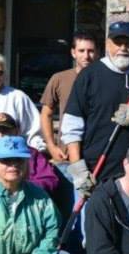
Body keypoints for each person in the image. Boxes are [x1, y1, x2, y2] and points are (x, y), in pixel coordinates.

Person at [61, 21, 129, 194]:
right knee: (92, 221)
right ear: (108, 44)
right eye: (118, 42)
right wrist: (78, 171)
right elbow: (72, 126)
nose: (123, 48)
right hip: (94, 174)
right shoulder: (90, 75)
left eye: (128, 42)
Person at [40, 31, 98, 168]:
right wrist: (51, 146)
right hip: (65, 155)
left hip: (95, 155)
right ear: (73, 53)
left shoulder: (104, 81)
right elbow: (46, 114)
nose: (86, 56)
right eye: (81, 51)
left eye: (90, 51)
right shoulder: (59, 79)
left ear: (97, 53)